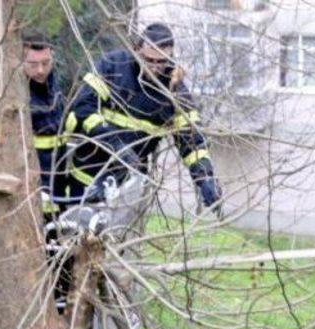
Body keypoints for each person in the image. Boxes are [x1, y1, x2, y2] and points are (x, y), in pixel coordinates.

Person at [64, 22, 223, 213]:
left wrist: (204, 178)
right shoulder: (113, 66)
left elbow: (192, 142)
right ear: (137, 50)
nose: (155, 68)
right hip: (86, 175)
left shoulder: (174, 92)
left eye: (161, 61)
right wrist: (115, 145)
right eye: (149, 60)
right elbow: (83, 108)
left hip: (126, 188)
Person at [21, 30, 68, 215]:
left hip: (58, 175)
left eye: (45, 63)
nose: (40, 70)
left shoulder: (52, 81)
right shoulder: (16, 92)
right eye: (33, 64)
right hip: (32, 177)